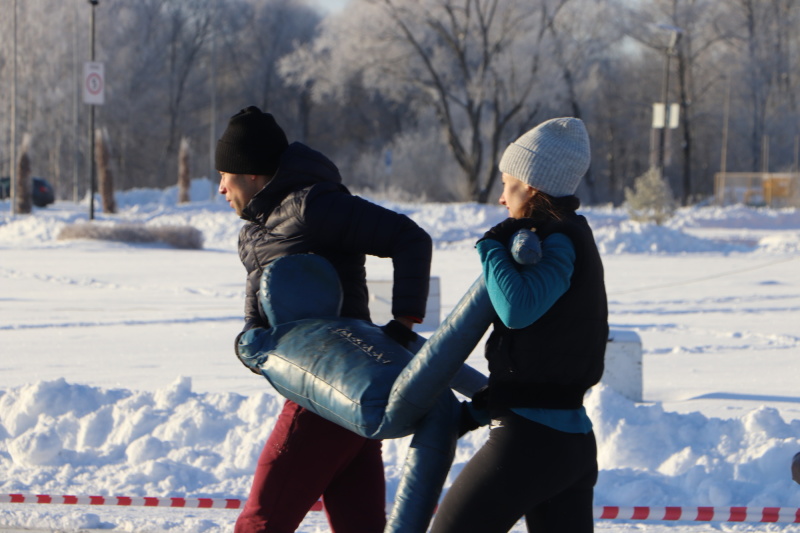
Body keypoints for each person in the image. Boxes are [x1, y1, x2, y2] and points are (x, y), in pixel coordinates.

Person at [215, 106, 432, 533]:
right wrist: (250, 346)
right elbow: (256, 325)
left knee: (261, 522)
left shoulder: (316, 206)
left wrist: (402, 323)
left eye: (226, 174)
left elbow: (410, 239)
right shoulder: (254, 235)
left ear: (252, 173)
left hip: (328, 390)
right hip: (332, 397)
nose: (220, 187)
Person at [430, 117, 608, 533]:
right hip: (567, 442)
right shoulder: (560, 234)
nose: (500, 197)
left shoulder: (559, 239)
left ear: (531, 186)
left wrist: (491, 246)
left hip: (531, 442)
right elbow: (550, 347)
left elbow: (518, 309)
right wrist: (485, 403)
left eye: (507, 183)